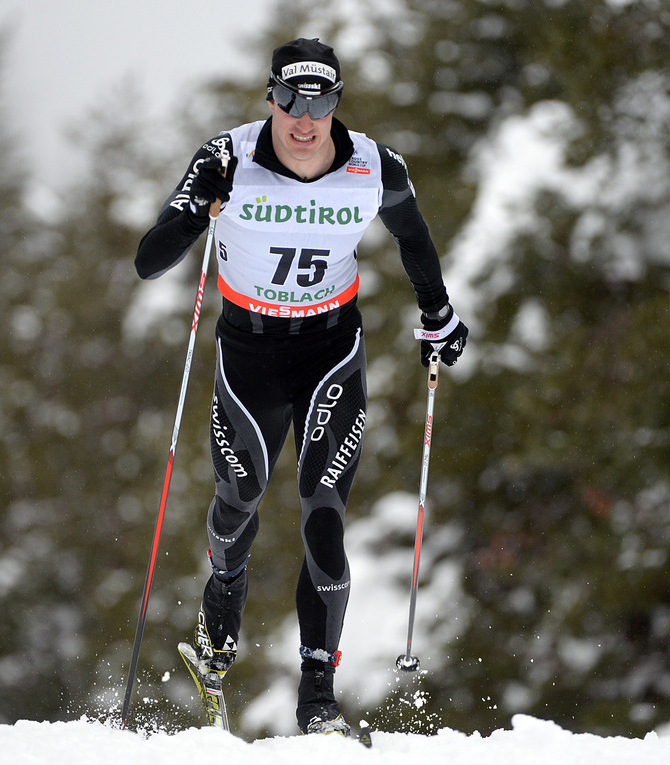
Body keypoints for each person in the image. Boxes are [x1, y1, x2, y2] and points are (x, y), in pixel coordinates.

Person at [134, 37, 468, 736]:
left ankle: (318, 695)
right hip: (248, 353)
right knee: (239, 500)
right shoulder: (228, 156)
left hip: (330, 350)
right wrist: (198, 207)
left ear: (335, 103)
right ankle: (220, 613)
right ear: (271, 98)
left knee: (324, 510)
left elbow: (413, 237)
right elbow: (148, 259)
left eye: (319, 101)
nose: (304, 118)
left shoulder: (374, 166)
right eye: (290, 98)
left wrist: (436, 312)